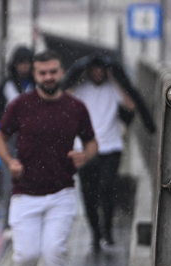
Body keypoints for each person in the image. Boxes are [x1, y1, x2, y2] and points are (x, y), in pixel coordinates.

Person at [0, 50, 98, 266]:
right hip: (25, 192)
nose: (48, 77)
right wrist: (10, 161)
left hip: (61, 192)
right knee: (27, 254)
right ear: (35, 75)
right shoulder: (21, 105)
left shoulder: (76, 107)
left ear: (61, 72)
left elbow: (92, 143)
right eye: (43, 73)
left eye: (53, 71)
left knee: (54, 250)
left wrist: (84, 156)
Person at [69, 54, 136, 250]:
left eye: (101, 70)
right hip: (84, 148)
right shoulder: (81, 90)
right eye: (94, 70)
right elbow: (64, 99)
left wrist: (116, 81)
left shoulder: (112, 89)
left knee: (106, 189)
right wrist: (76, 77)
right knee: (88, 194)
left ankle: (107, 229)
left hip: (111, 147)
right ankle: (95, 234)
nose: (98, 74)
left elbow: (131, 106)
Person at [0, 46, 35, 209]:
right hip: (11, 137)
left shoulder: (36, 84)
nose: (24, 67)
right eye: (21, 63)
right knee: (10, 182)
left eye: (27, 63)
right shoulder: (6, 85)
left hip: (33, 138)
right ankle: (9, 221)